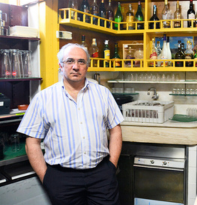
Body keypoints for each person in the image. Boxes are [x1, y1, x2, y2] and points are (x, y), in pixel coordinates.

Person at [17, 43, 124, 205]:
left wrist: (111, 165)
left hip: (101, 175)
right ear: (61, 65)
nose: (76, 66)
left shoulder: (103, 93)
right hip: (62, 179)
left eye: (81, 61)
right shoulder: (43, 98)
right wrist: (46, 178)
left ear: (87, 66)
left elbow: (115, 130)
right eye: (69, 61)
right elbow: (32, 142)